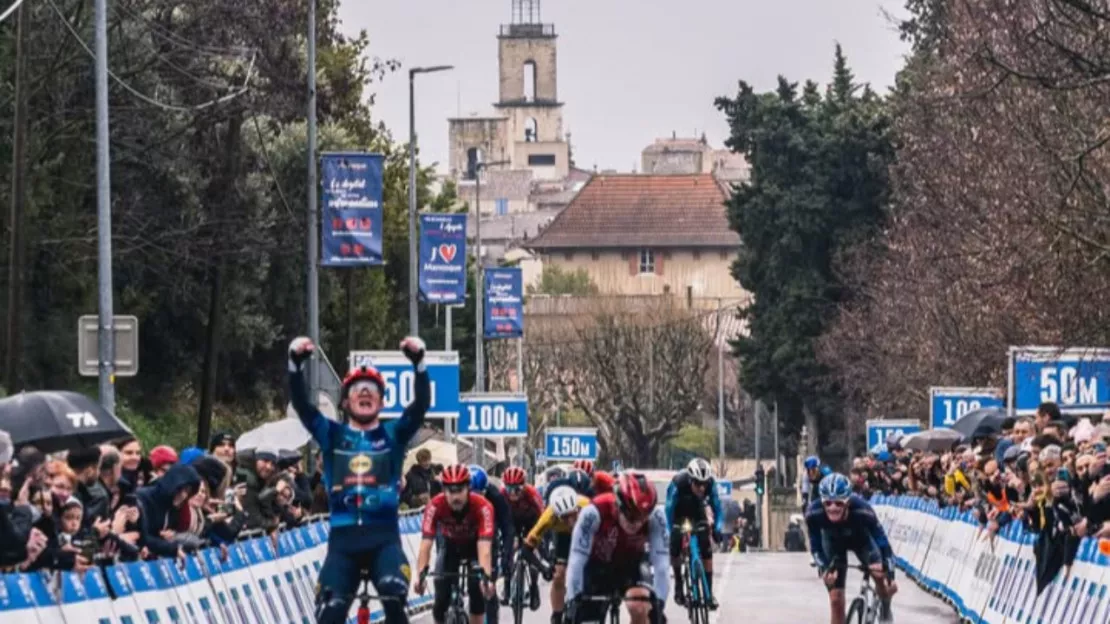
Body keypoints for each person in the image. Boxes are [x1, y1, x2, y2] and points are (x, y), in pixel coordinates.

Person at [287, 335, 429, 624]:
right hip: (342, 546)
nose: (365, 392)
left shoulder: (393, 434)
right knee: (329, 612)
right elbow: (303, 407)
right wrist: (294, 367)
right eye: (357, 389)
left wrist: (420, 366)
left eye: (372, 390)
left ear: (381, 400)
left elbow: (420, 406)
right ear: (346, 400)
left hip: (385, 543)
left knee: (393, 595)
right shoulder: (332, 435)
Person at [566, 471, 668, 624]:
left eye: (644, 517)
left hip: (632, 565)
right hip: (596, 566)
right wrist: (574, 597)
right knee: (583, 617)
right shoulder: (594, 512)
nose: (638, 523)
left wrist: (659, 603)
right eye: (633, 516)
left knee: (641, 606)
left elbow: (661, 565)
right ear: (618, 504)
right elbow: (577, 559)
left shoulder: (656, 516)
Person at [806, 473, 898, 624]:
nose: (833, 508)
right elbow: (815, 546)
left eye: (839, 503)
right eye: (828, 503)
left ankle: (885, 605)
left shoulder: (863, 510)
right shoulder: (813, 513)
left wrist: (888, 569)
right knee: (836, 599)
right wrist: (824, 567)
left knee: (879, 576)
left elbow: (882, 540)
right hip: (833, 543)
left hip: (861, 540)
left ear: (848, 502)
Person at [413, 465, 495, 624]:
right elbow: (426, 544)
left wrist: (486, 579)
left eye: (460, 490)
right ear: (444, 490)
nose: (455, 496)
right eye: (451, 491)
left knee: (477, 589)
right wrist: (420, 577)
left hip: (474, 547)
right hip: (449, 545)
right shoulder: (435, 506)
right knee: (440, 596)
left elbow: (484, 549)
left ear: (468, 488)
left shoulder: (483, 506)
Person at [521, 485, 587, 624]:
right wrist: (543, 568)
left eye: (572, 515)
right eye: (565, 517)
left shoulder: (587, 506)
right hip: (563, 537)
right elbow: (526, 549)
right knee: (558, 574)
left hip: (585, 533)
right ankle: (557, 615)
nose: (570, 521)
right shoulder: (548, 517)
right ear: (556, 515)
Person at [664, 457, 723, 609]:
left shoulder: (710, 484)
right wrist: (670, 531)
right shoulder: (679, 483)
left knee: (706, 551)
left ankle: (709, 594)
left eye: (704, 484)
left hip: (697, 513)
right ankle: (678, 585)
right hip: (679, 514)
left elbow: (717, 507)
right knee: (675, 546)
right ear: (690, 480)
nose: (701, 488)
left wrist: (718, 528)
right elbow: (668, 510)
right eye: (697, 484)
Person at [469, 464, 513, 624]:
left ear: (485, 490)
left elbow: (507, 526)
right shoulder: (456, 496)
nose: (475, 499)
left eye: (479, 494)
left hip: (488, 537)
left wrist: (507, 555)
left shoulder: (495, 496)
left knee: (487, 584)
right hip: (464, 536)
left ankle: (491, 615)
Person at [501, 466, 544, 610]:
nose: (512, 494)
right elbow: (498, 519)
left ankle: (534, 588)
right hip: (512, 522)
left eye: (516, 490)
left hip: (531, 522)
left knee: (532, 550)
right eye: (509, 489)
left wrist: (537, 539)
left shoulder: (532, 494)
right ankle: (507, 586)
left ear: (524, 487)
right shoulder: (502, 495)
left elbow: (543, 517)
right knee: (508, 550)